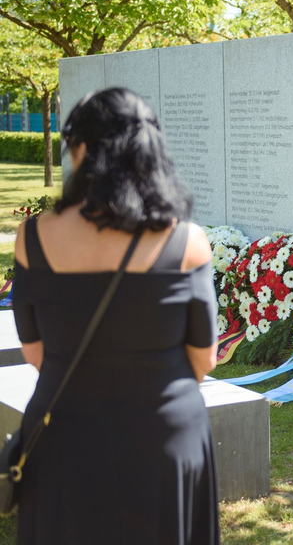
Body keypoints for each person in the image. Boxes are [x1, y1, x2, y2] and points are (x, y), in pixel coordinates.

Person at [12, 88, 220, 545]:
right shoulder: (188, 242)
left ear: (84, 149)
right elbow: (204, 360)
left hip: (64, 434)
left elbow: (34, 351)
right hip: (163, 437)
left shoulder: (31, 238)